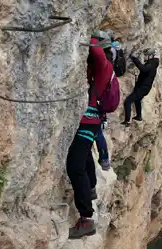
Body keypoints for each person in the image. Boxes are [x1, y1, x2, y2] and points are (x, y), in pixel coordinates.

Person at [66, 30, 113, 239]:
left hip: (89, 121)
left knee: (75, 166)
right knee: (84, 157)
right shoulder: (100, 68)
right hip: (90, 120)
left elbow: (97, 51)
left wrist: (90, 35)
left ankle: (86, 218)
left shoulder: (104, 66)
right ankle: (91, 187)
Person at [121, 48, 159, 126]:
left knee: (128, 101)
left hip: (143, 88)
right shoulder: (152, 63)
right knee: (137, 100)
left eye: (146, 55)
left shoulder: (151, 64)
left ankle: (127, 121)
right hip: (144, 88)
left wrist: (134, 59)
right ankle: (139, 116)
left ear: (151, 56)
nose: (144, 57)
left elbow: (143, 69)